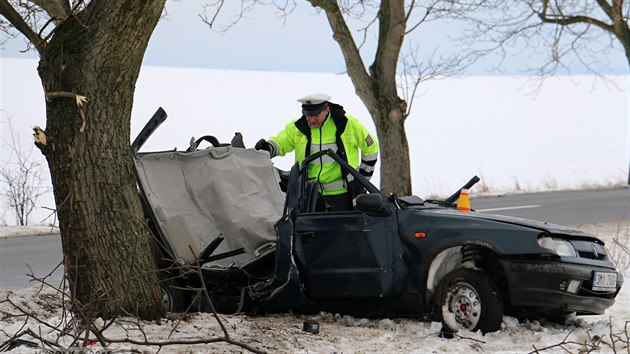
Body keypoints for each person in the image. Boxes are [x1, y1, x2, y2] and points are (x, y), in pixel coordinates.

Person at [255, 93, 379, 211]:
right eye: (308, 115)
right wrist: (268, 148)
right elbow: (280, 143)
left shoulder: (347, 124)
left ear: (326, 110)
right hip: (309, 196)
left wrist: (362, 179)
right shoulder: (298, 127)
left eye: (315, 115)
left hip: (343, 197)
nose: (311, 119)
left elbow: (371, 147)